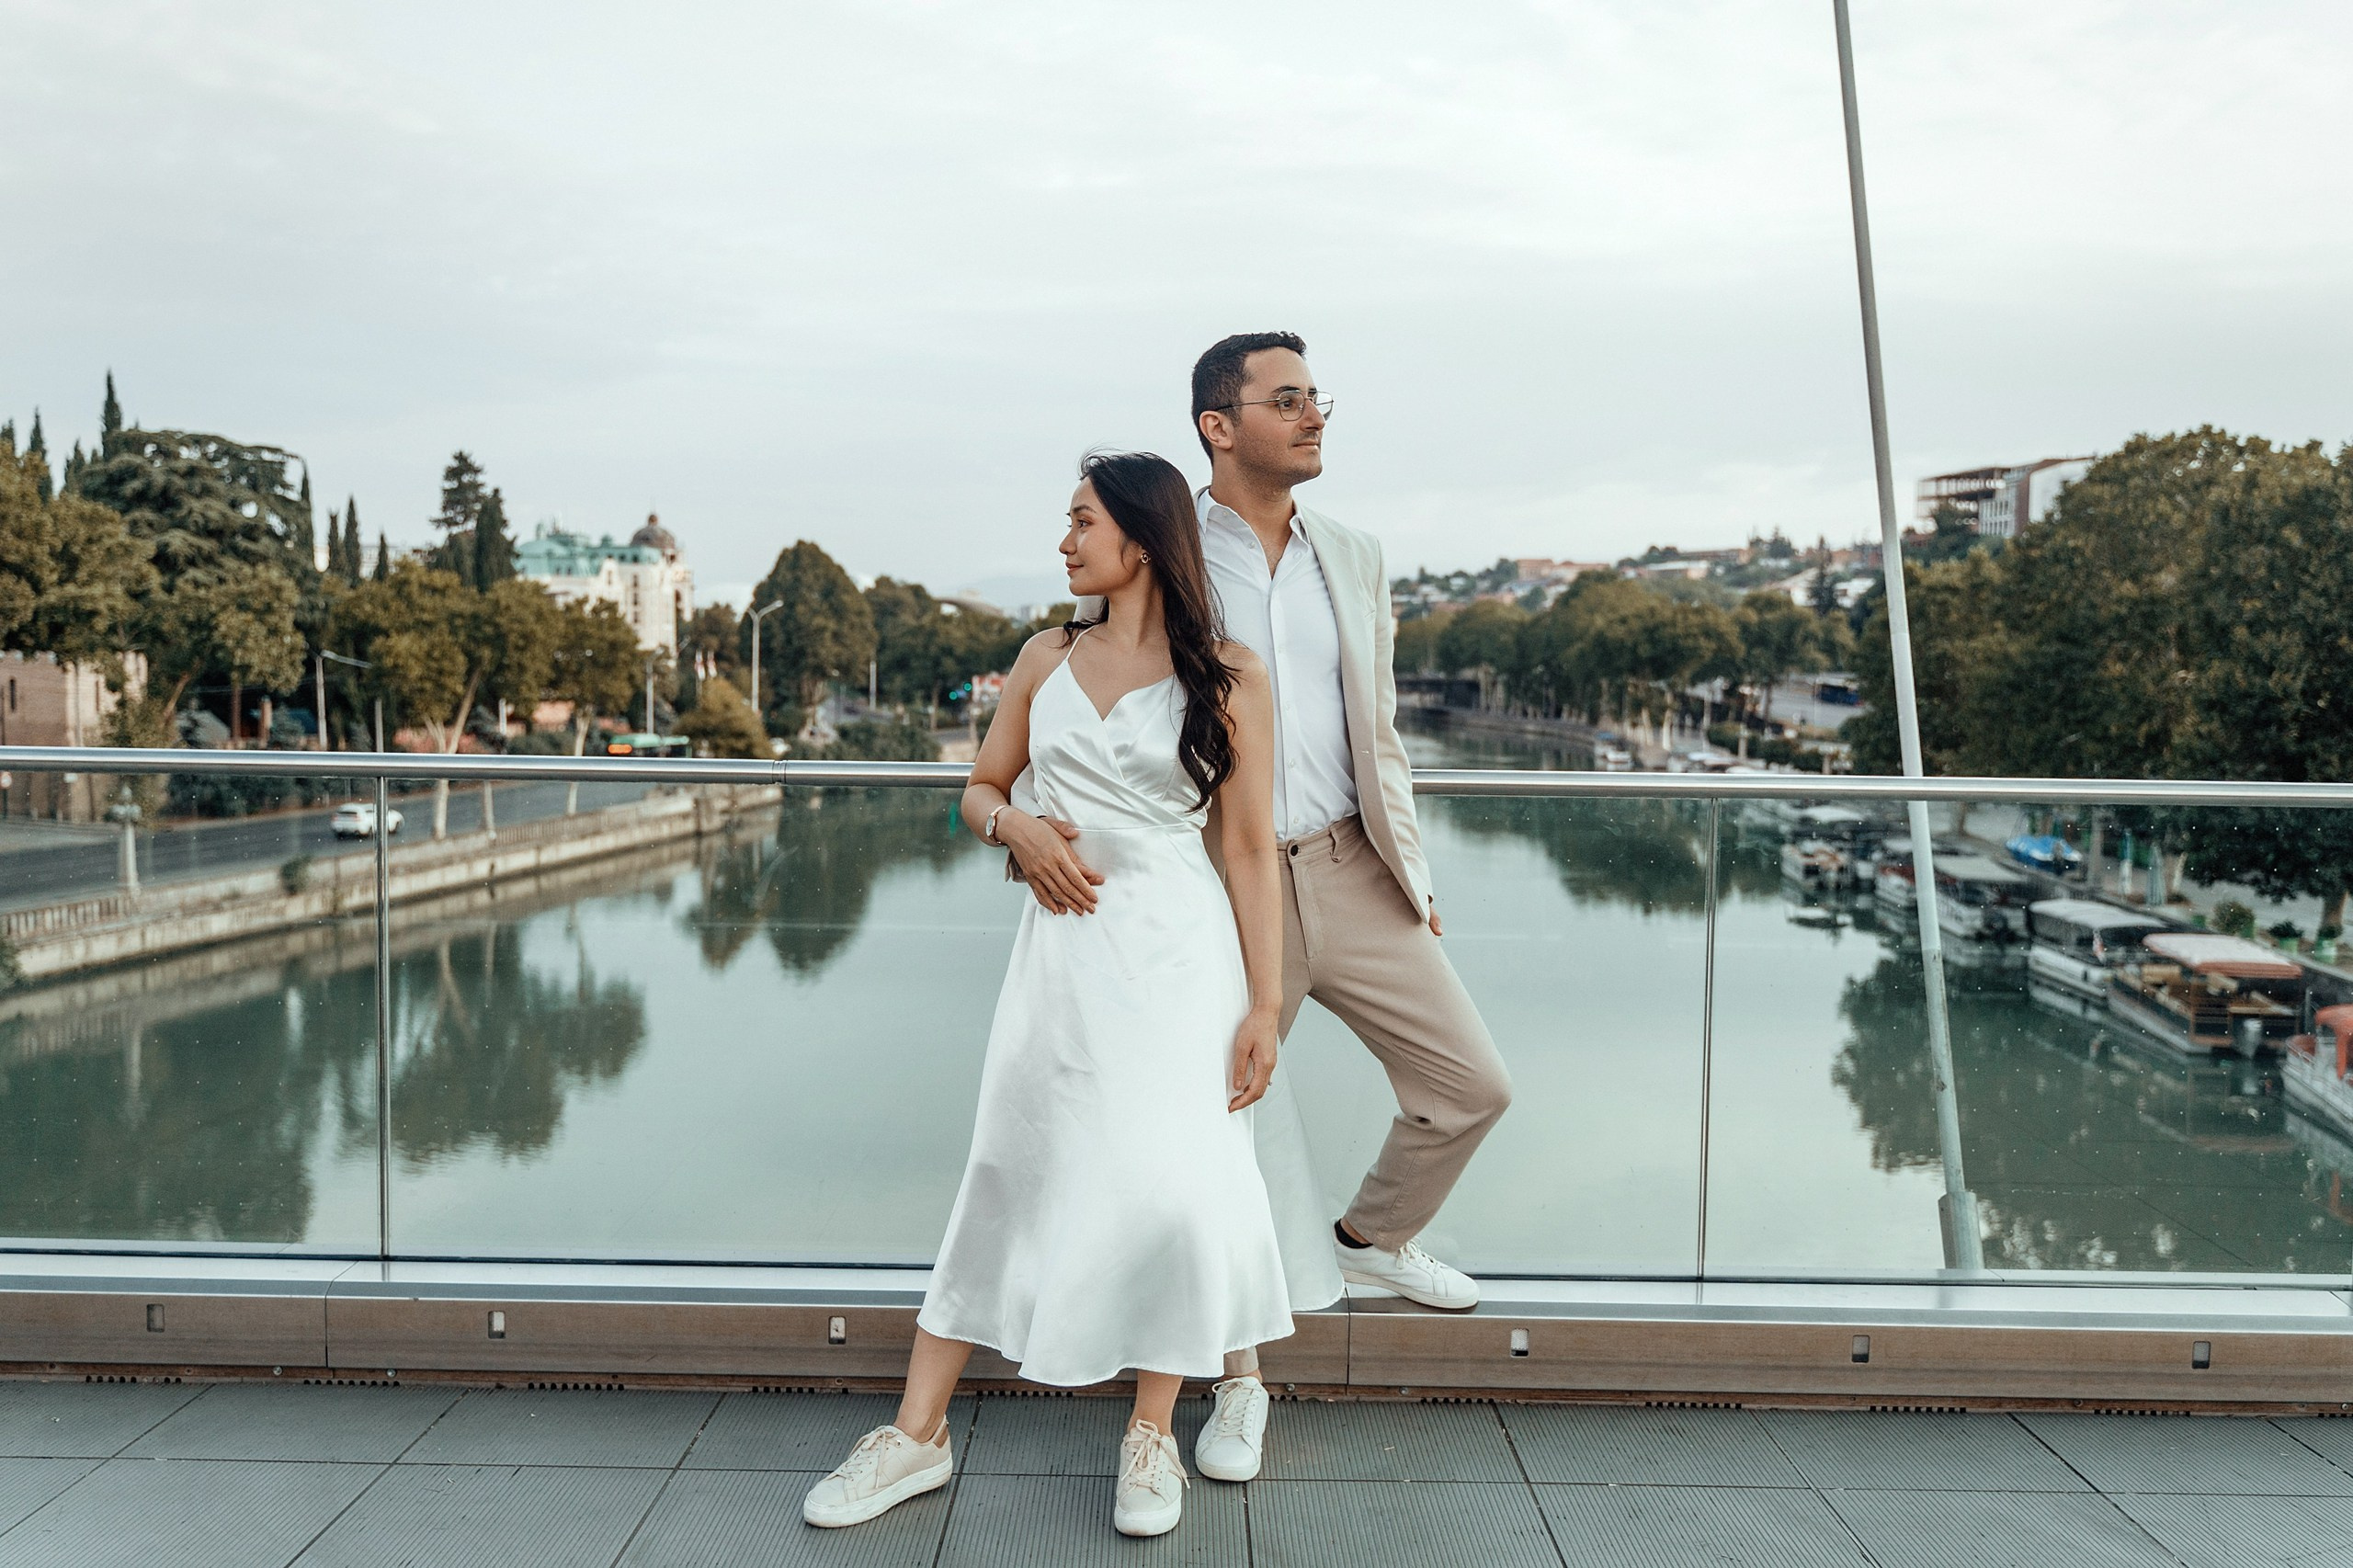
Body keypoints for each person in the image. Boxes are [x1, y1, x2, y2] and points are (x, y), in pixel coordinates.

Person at [801, 451, 1302, 1540]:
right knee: (1008, 1167)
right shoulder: (1041, 656)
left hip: (1178, 957)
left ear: (1142, 536)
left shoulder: (1231, 674)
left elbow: (1253, 850)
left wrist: (1264, 1005)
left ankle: (1150, 1429)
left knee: (1174, 1186)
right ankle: (915, 1436)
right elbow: (977, 789)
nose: (1064, 541)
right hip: (1060, 963)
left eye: (1081, 521)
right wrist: (1014, 826)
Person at [1174, 331, 1515, 1487]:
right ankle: (1239, 1377)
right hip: (1223, 884)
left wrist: (1409, 869)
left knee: (1469, 1086)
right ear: (1219, 426)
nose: (1314, 416)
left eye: (1318, 398)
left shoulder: (1355, 555)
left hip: (1353, 868)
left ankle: (1369, 1241)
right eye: (1286, 400)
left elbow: (1378, 732)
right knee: (1222, 1131)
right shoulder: (1166, 556)